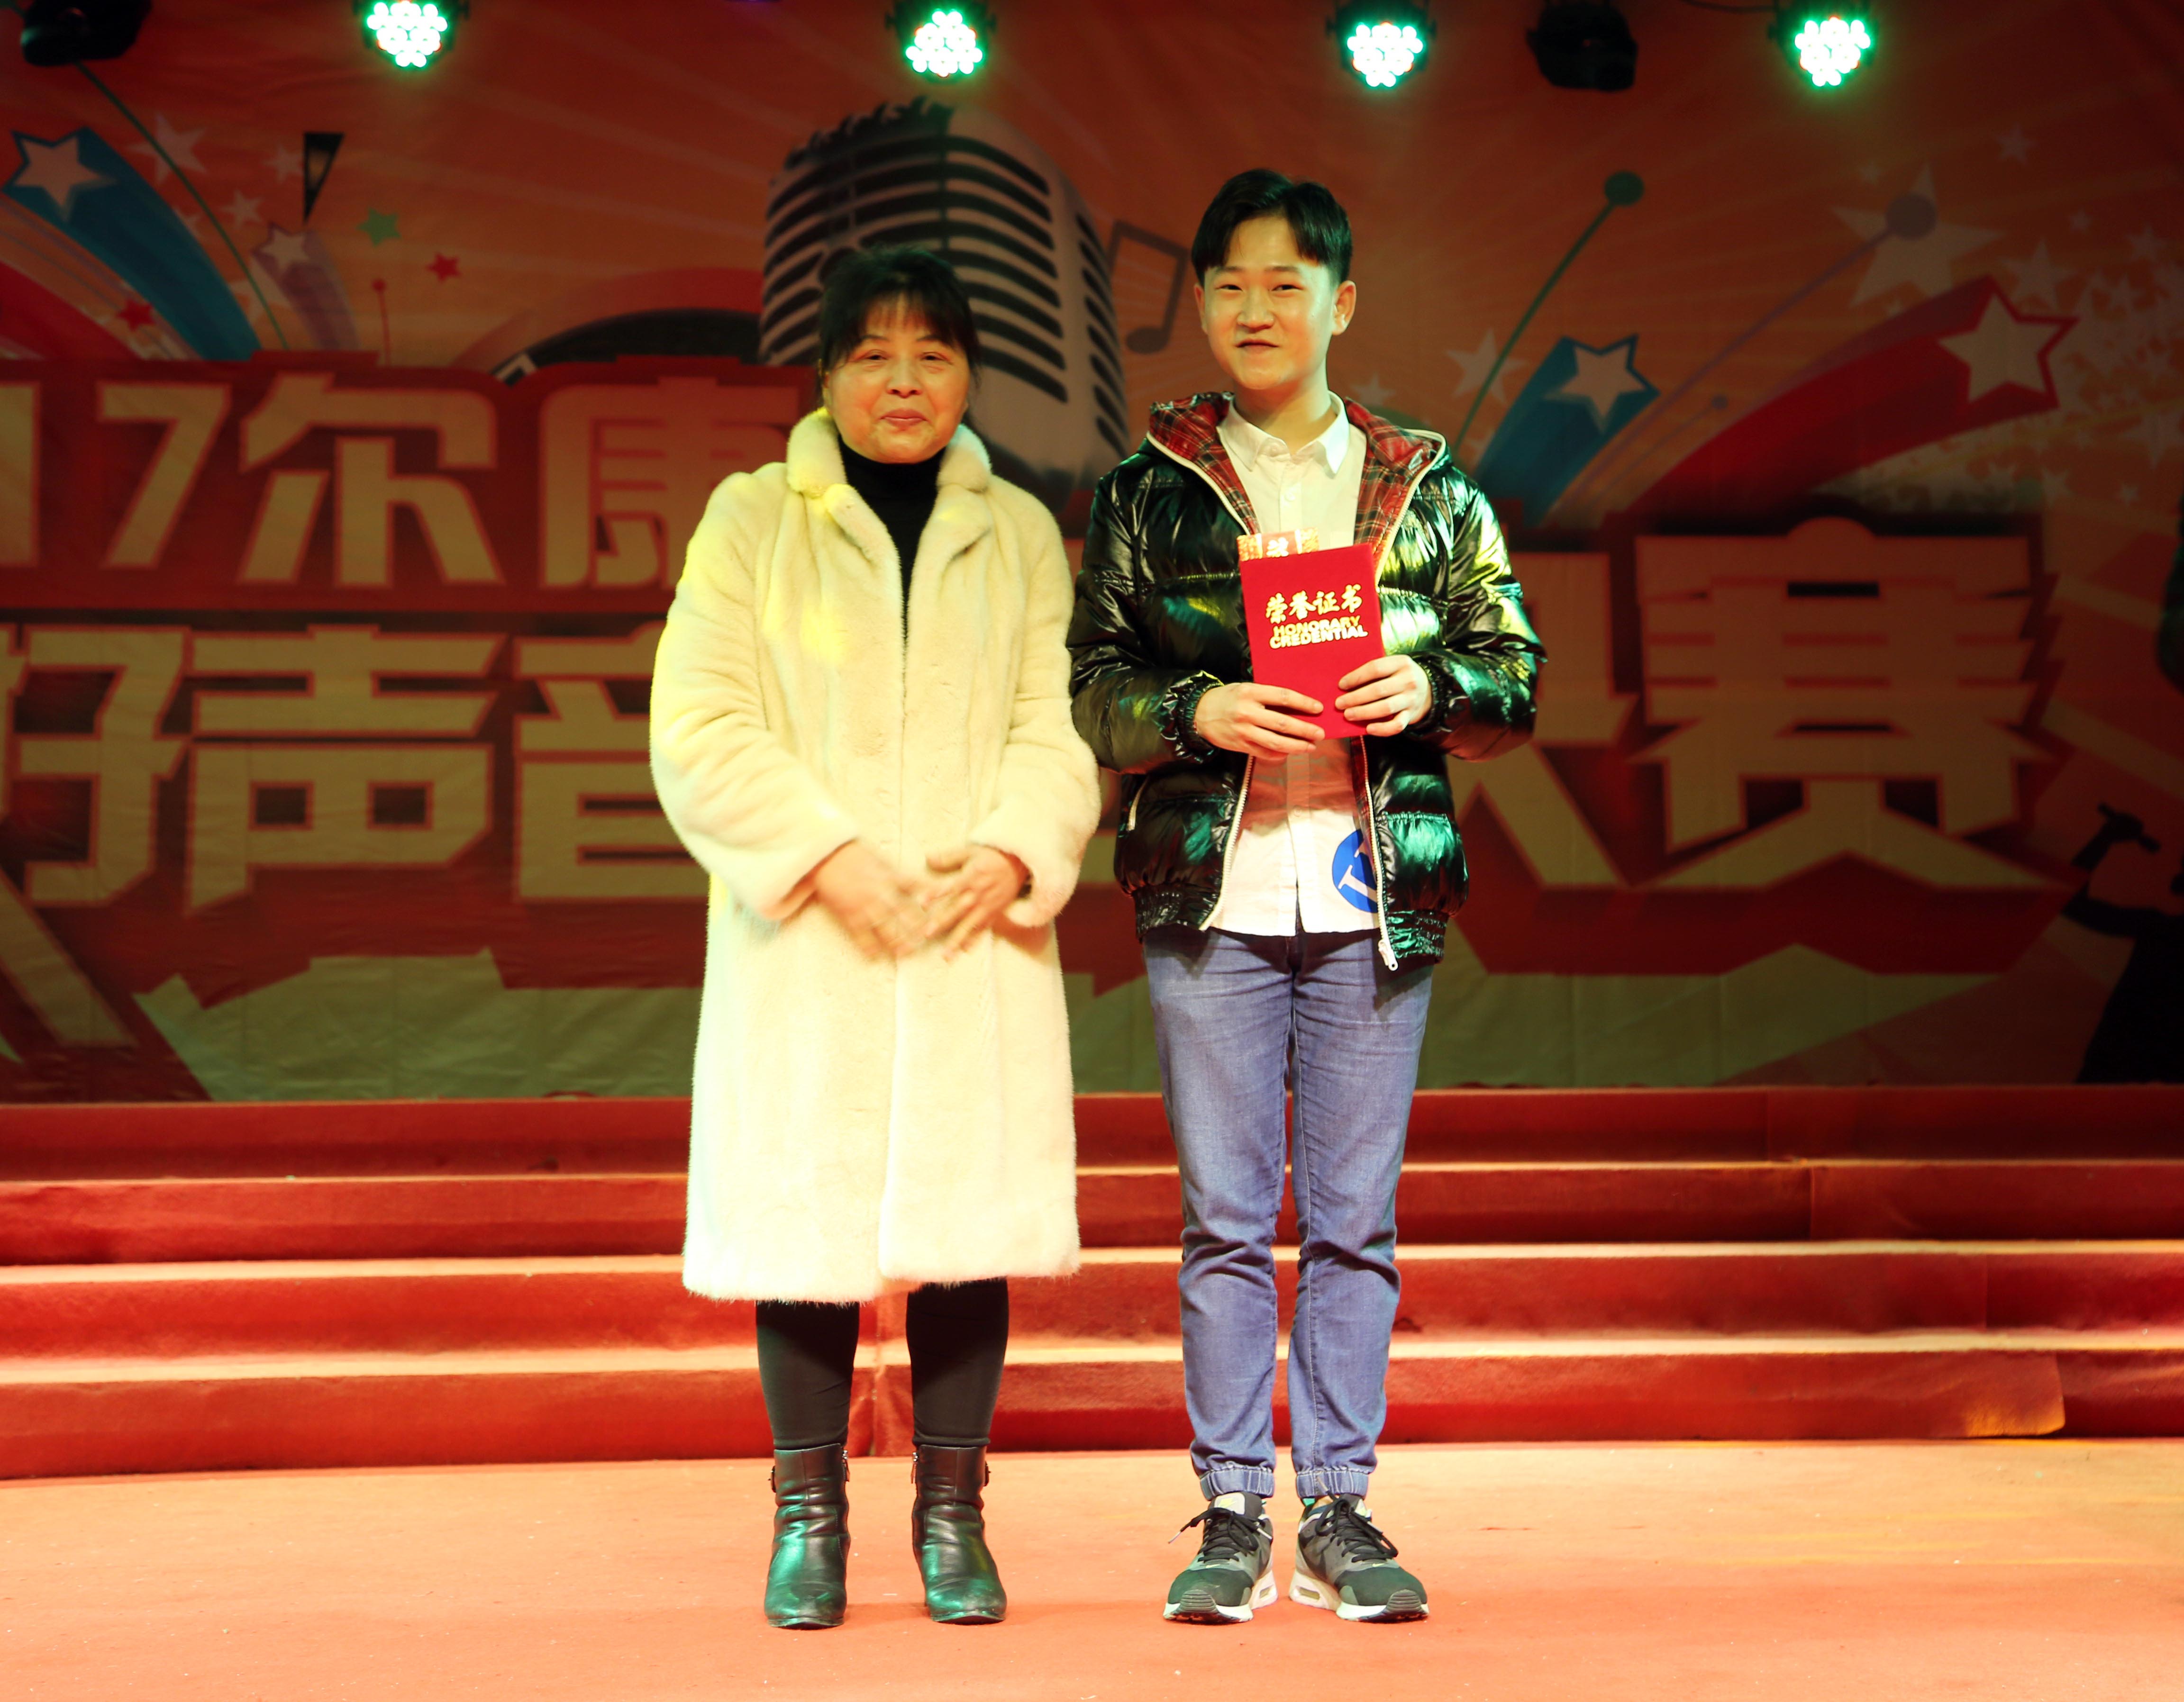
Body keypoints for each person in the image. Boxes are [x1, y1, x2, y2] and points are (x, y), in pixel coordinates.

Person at [1068, 171, 1543, 1626]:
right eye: (1230, 285)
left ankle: (1338, 1505)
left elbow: (1513, 673)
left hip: (1370, 887)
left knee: (1351, 1220)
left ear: (1343, 304)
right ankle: (1230, 1510)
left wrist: (1434, 685)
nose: (1256, 309)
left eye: (1287, 284)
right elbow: (1094, 689)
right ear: (1203, 305)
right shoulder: (1149, 490)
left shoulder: (1428, 487)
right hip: (1212, 889)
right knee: (1223, 1219)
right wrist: (1194, 710)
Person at [650, 244, 1100, 1630]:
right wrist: (821, 857)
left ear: (970, 374)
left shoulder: (1019, 531)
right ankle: (810, 1520)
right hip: (810, 934)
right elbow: (700, 724)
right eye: (873, 356)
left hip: (972, 925)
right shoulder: (751, 520)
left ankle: (953, 1519)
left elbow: (1052, 725)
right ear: (828, 373)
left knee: (968, 1230)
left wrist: (1018, 849)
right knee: (807, 1230)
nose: (903, 383)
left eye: (933, 356)